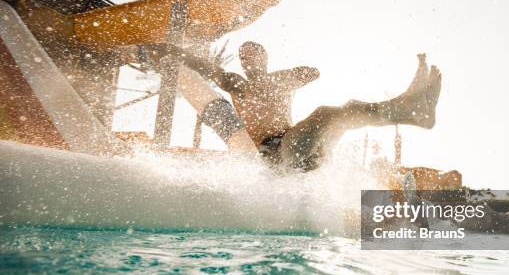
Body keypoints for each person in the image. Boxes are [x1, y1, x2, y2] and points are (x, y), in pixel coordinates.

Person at [164, 41, 441, 171]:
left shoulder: (280, 82)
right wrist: (175, 51)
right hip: (275, 154)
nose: (249, 63)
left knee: (346, 110)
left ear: (265, 59)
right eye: (245, 58)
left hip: (307, 151)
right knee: (326, 113)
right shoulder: (237, 84)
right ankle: (406, 107)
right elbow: (205, 68)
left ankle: (414, 113)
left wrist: (278, 80)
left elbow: (312, 72)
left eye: (254, 57)